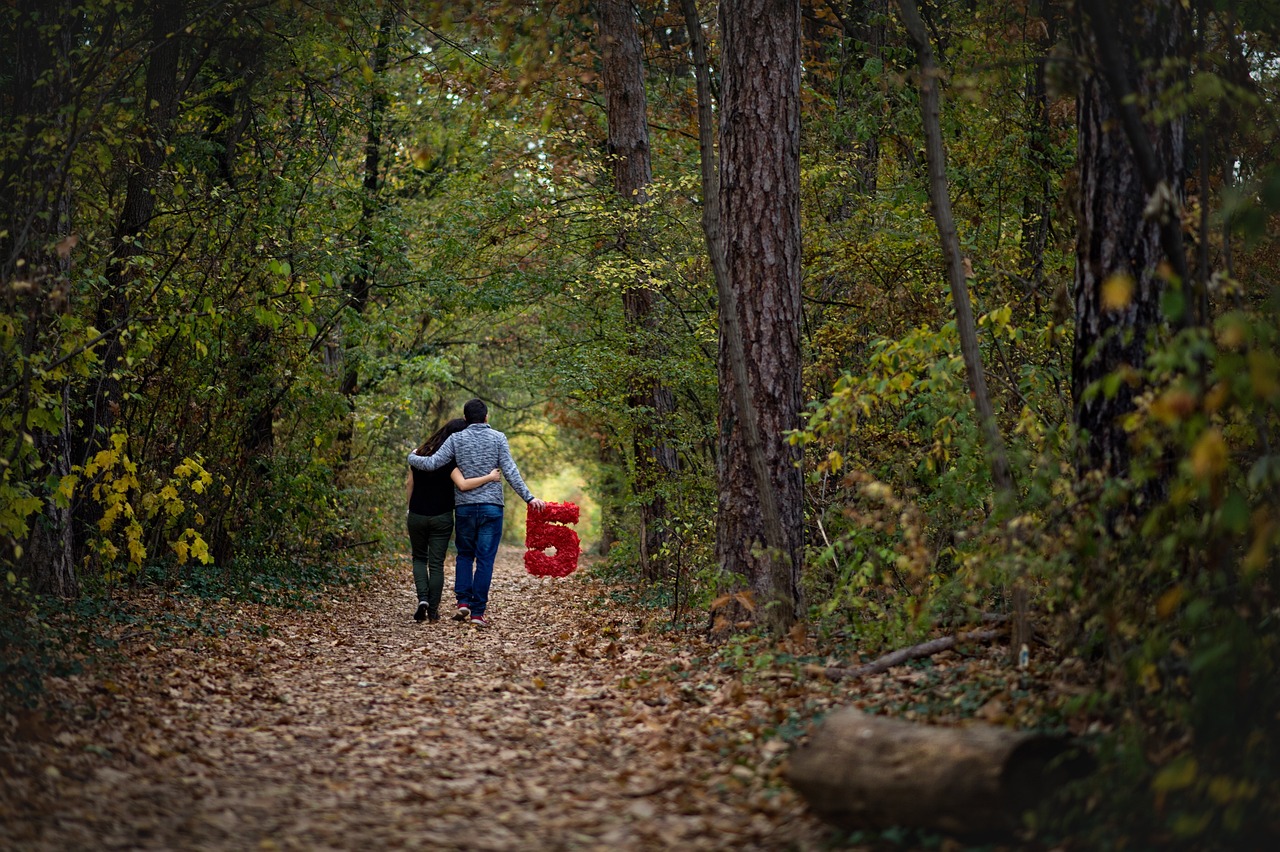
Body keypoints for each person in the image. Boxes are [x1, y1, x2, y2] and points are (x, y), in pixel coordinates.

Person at [408, 398, 546, 628]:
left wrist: (411, 457)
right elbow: (511, 471)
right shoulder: (498, 438)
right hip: (492, 507)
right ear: (486, 416)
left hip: (465, 508)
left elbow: (431, 464)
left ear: (465, 418)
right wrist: (529, 498)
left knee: (464, 555)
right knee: (485, 560)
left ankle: (463, 600)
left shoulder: (456, 438)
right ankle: (477, 613)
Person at [407, 418, 501, 623]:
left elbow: (410, 486)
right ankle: (432, 610)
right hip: (441, 517)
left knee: (419, 558)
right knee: (436, 564)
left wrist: (410, 509)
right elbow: (463, 485)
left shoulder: (418, 454)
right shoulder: (450, 461)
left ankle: (422, 599)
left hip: (416, 515)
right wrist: (490, 477)